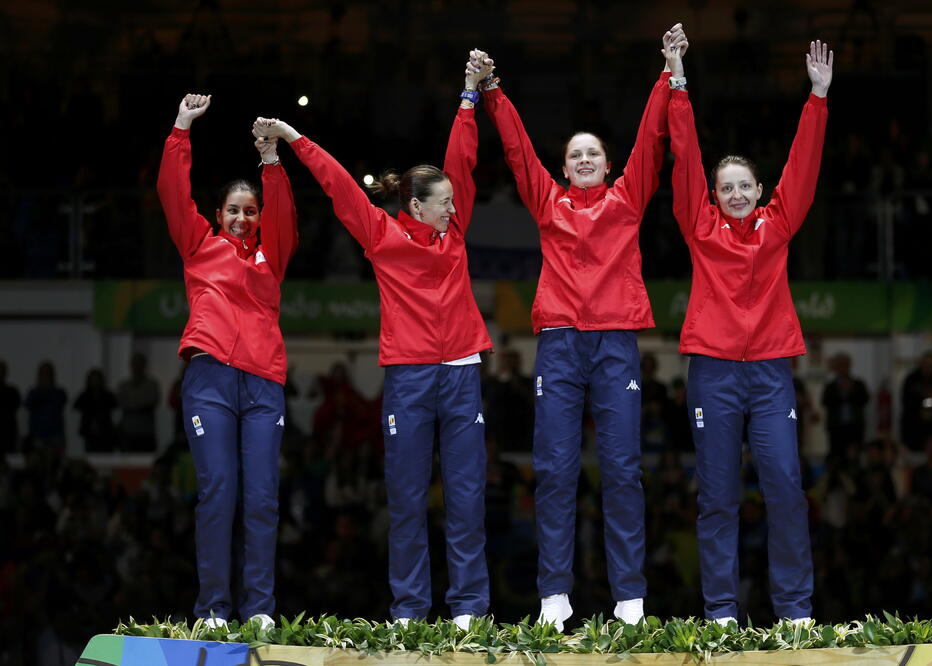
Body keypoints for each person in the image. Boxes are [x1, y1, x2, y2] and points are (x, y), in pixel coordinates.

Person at [258, 58, 494, 630]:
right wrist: (294, 138)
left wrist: (469, 94)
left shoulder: (454, 230)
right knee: (408, 500)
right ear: (416, 205)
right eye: (443, 202)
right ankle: (411, 612)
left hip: (461, 371)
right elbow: (338, 184)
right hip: (410, 377)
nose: (453, 206)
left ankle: (468, 611)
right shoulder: (382, 235)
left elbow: (460, 159)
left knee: (466, 498)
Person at [479, 26, 686, 628]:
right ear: (564, 166)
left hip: (617, 340)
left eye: (593, 152)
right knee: (555, 468)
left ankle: (629, 596)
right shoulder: (549, 204)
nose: (586, 159)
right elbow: (518, 151)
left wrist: (667, 75)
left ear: (608, 164)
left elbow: (652, 141)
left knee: (622, 468)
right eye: (575, 155)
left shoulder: (627, 201)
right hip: (562, 344)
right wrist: (493, 92)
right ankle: (553, 596)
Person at [667, 37, 833, 625]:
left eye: (745, 185)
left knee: (786, 488)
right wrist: (678, 82)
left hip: (768, 373)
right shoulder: (700, 227)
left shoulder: (779, 224)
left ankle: (794, 613)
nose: (736, 194)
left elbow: (803, 167)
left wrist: (817, 98)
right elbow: (684, 159)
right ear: (713, 198)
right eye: (726, 187)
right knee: (717, 497)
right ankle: (719, 613)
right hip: (712, 373)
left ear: (760, 192)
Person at [157, 92, 299, 630]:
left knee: (262, 498)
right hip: (211, 379)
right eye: (233, 211)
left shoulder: (272, 255)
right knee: (219, 492)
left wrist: (271, 162)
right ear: (218, 215)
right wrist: (180, 130)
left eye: (250, 211)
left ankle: (258, 609)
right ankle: (214, 610)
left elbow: (283, 211)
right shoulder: (199, 246)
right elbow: (173, 193)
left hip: (264, 385)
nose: (243, 218)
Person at [821, 352, 870, 461]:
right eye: (841, 365)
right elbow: (825, 402)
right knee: (837, 457)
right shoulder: (831, 386)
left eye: (846, 365)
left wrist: (851, 390)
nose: (843, 368)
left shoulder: (858, 384)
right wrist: (840, 392)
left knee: (855, 457)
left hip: (855, 428)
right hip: (836, 429)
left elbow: (865, 399)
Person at [117, 352, 160, 452]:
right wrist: (138, 403)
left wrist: (134, 404)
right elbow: (121, 401)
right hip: (128, 430)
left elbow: (152, 400)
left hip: (146, 431)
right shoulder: (124, 385)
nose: (137, 367)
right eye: (134, 364)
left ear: (144, 366)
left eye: (139, 364)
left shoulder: (151, 385)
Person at [74, 368, 118, 452]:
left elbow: (116, 406)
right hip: (89, 433)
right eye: (93, 379)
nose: (95, 381)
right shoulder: (85, 396)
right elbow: (75, 406)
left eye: (97, 379)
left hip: (106, 433)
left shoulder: (107, 395)